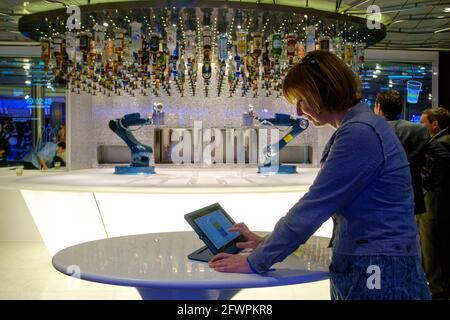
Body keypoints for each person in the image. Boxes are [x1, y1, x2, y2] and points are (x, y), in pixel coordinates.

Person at [209, 50, 431, 300]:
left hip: (377, 269)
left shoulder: (360, 134)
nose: (299, 111)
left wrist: (256, 261)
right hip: (373, 263)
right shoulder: (361, 127)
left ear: (320, 92)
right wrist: (267, 243)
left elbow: (314, 206)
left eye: (301, 100)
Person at [374, 90, 450, 215]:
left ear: (378, 107)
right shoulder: (418, 130)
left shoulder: (370, 131)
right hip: (410, 198)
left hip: (376, 199)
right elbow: (444, 156)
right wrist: (429, 184)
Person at [419, 107, 450, 300]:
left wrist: (427, 184)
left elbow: (436, 169)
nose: (421, 128)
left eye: (423, 124)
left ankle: (436, 290)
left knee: (431, 248)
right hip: (438, 203)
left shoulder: (442, 144)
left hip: (434, 204)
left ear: (434, 125)